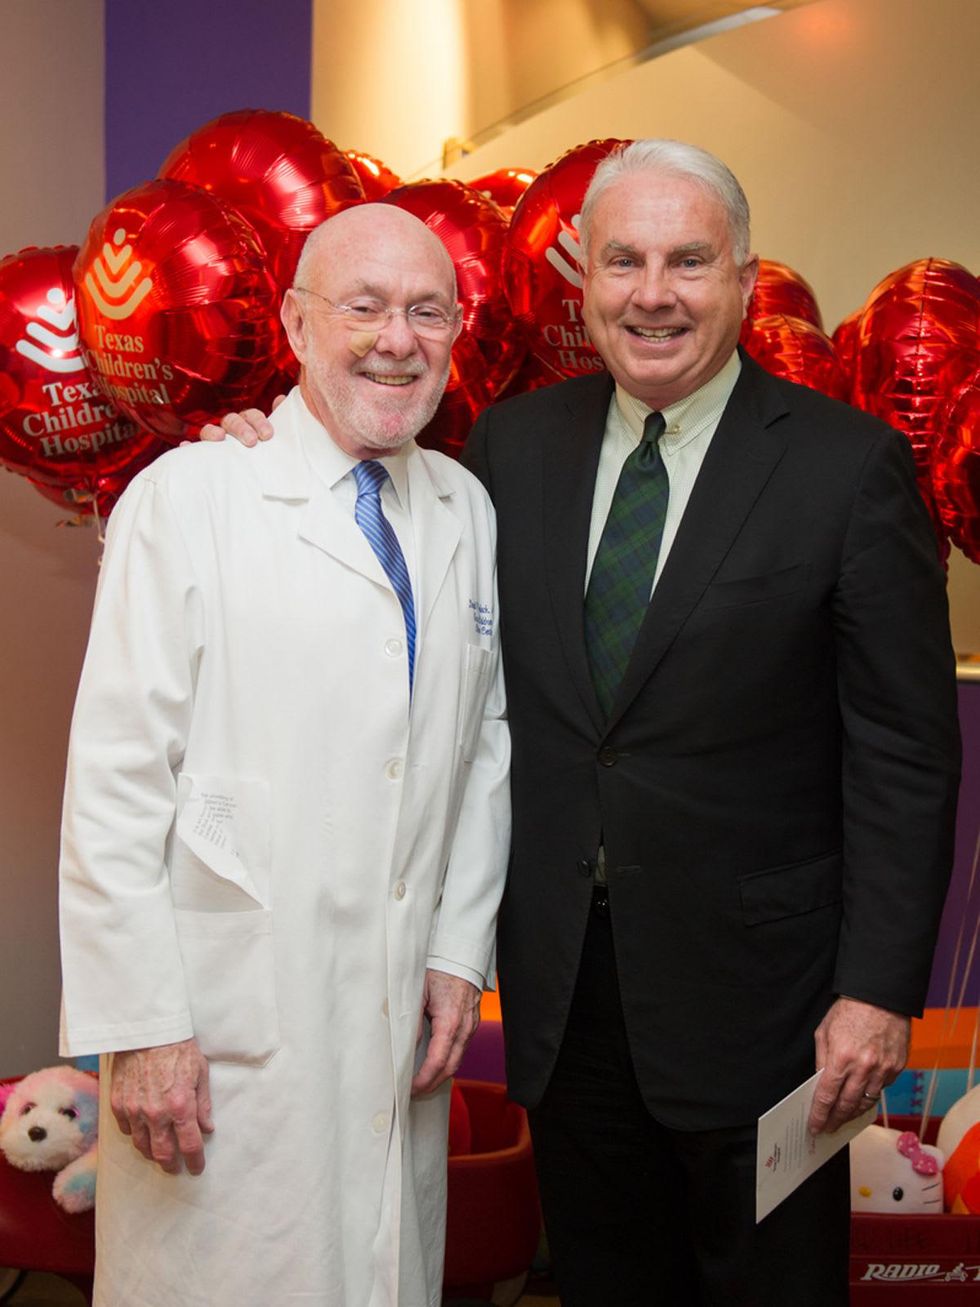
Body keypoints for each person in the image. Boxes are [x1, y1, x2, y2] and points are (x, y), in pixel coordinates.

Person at [207, 141, 960, 1306]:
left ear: (743, 279)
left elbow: (904, 754)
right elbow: (376, 537)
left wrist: (874, 992)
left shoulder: (844, 466)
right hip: (564, 999)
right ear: (584, 282)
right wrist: (259, 451)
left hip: (770, 1010)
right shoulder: (511, 448)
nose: (650, 292)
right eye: (621, 261)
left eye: (686, 261)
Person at [58, 203, 510, 1307]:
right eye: (361, 306)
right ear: (297, 324)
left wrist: (456, 949)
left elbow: (481, 742)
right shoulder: (193, 496)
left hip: (391, 1014)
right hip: (223, 1032)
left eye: (424, 311)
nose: (394, 337)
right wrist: (144, 1024)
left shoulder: (463, 507)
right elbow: (118, 779)